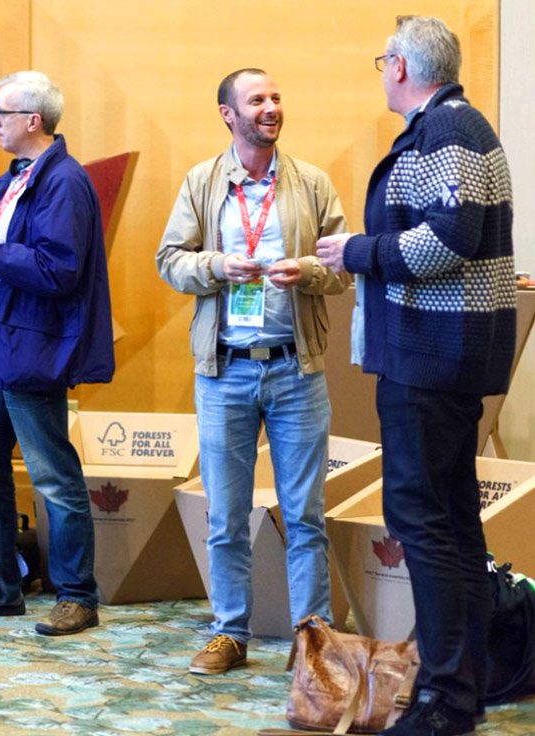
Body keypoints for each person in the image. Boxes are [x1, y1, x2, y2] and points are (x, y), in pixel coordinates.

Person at [316, 16, 514, 735]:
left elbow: (449, 239)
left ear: (400, 66)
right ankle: (460, 687)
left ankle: (444, 699)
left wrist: (358, 251)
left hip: (430, 355)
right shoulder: (451, 126)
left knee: (424, 523)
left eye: (383, 63)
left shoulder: (447, 129)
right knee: (451, 523)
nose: (382, 74)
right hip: (438, 353)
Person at [157, 69, 349, 674]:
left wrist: (307, 272)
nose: (271, 107)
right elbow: (169, 260)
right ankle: (229, 634)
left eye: (276, 97)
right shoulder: (202, 182)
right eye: (257, 100)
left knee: (306, 515)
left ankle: (314, 642)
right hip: (225, 372)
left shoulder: (312, 182)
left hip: (296, 369)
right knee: (225, 515)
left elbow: (343, 268)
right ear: (228, 114)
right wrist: (217, 266)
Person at [0, 70, 114, 636]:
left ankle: (77, 595)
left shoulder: (65, 182)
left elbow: (55, 271)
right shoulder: (16, 177)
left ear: (33, 120)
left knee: (51, 473)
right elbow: (5, 255)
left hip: (31, 341)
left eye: (1, 113)